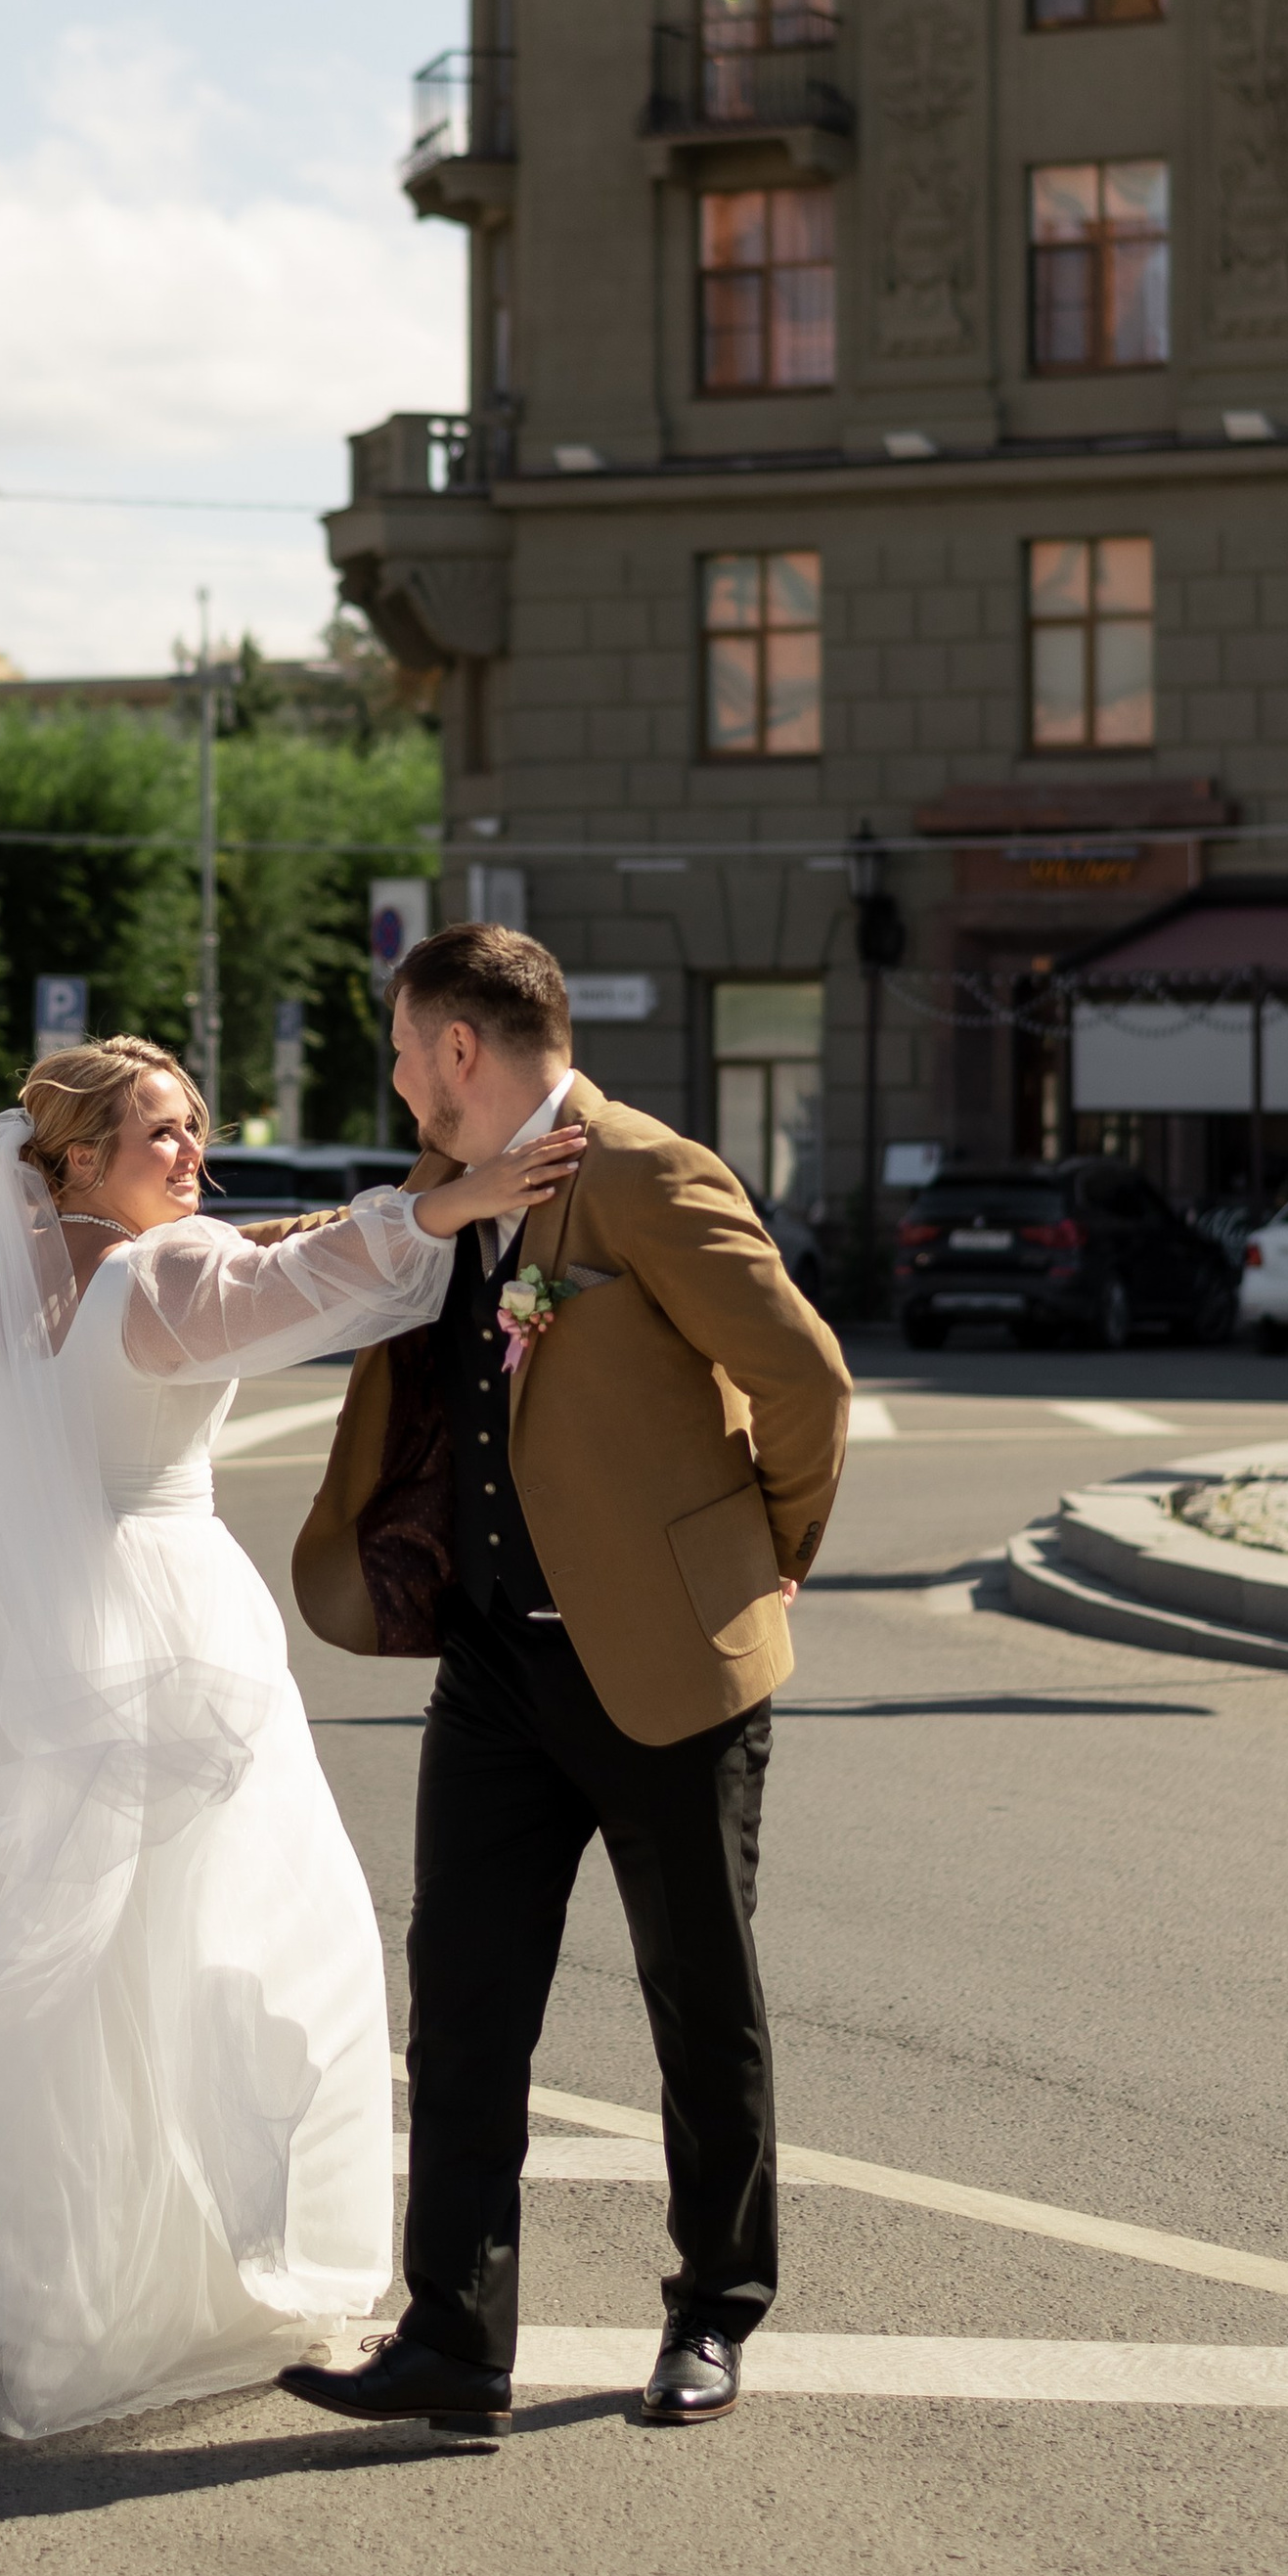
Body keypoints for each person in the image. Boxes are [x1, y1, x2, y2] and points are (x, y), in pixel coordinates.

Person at [0, 1033, 582, 2441]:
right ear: (79, 1158)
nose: (195, 1152)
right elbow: (303, 1286)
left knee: (44, 1974)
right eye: (162, 1134)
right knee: (221, 1953)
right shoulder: (164, 1270)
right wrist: (454, 1199)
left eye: (196, 1126)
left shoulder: (23, 1282)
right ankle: (157, 2284)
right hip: (166, 1625)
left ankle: (12, 2276)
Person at [280, 924, 850, 2439]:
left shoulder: (648, 1174)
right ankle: (456, 2342)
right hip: (492, 1675)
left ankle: (716, 2311)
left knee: (697, 2000)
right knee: (463, 2011)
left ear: (461, 1049)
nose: (398, 1082)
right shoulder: (441, 1194)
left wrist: (768, 1555)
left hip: (665, 1665)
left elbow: (804, 1379)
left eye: (406, 1052)